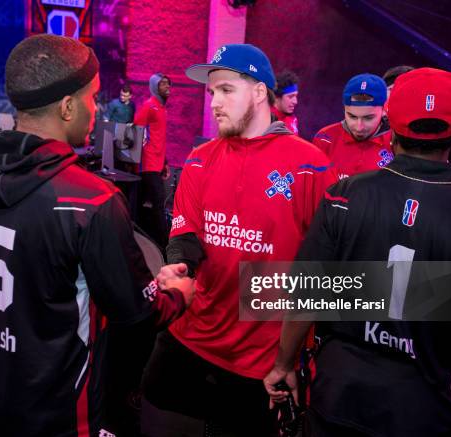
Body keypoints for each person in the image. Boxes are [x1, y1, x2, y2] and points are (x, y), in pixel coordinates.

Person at [0, 34, 194, 437]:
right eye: (92, 98)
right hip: (59, 420)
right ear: (68, 107)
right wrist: (177, 294)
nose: (96, 109)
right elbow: (136, 315)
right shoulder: (92, 201)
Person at [265, 68, 451, 436]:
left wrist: (283, 364)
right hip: (421, 410)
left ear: (391, 125)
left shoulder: (344, 196)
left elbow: (306, 294)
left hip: (337, 394)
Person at [142, 44, 337, 436]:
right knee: (154, 403)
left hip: (262, 358)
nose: (214, 103)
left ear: (260, 92)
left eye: (226, 90)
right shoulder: (200, 158)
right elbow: (186, 234)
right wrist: (179, 266)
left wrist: (292, 354)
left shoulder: (310, 165)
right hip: (191, 335)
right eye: (212, 92)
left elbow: (324, 270)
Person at [313, 73, 392, 180]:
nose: (359, 127)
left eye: (368, 118)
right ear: (344, 109)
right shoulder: (325, 139)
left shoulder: (395, 142)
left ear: (384, 110)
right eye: (352, 117)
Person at [134, 73, 171, 249]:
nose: (167, 87)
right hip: (148, 163)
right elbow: (137, 128)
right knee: (158, 202)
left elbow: (160, 137)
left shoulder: (162, 108)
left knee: (150, 203)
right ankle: (164, 244)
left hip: (158, 162)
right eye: (163, 84)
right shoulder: (149, 106)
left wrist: (165, 162)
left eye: (168, 84)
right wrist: (144, 151)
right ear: (155, 87)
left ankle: (149, 240)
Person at [272, 68, 300, 135]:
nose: (295, 101)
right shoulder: (266, 121)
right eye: (290, 97)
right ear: (277, 97)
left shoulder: (292, 118)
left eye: (296, 96)